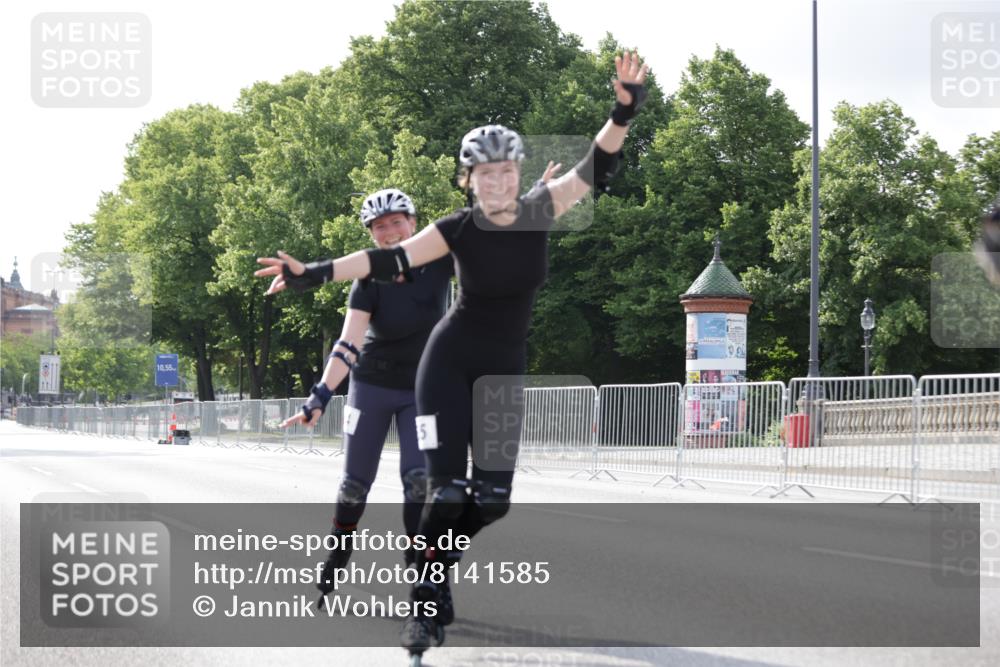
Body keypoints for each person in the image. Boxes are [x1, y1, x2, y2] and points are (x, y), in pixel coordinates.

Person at [256, 51, 648, 654]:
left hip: (502, 370)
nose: (495, 184)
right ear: (468, 181)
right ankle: (425, 603)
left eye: (505, 173)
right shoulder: (455, 229)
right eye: (483, 176)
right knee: (445, 493)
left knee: (491, 502)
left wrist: (625, 105)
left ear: (518, 175)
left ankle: (426, 558)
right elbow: (388, 260)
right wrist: (311, 272)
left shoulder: (543, 210)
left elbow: (597, 164)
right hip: (447, 363)